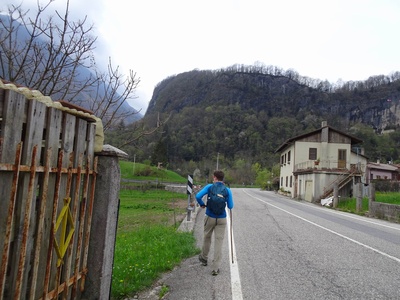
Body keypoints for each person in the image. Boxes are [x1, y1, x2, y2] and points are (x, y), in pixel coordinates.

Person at [195, 170, 234, 276]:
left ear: (215, 178)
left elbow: (198, 196)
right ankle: (215, 268)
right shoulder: (227, 190)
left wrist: (202, 204)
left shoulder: (209, 187)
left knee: (207, 237)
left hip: (209, 216)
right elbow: (230, 206)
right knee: (219, 242)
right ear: (223, 179)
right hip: (221, 219)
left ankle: (204, 258)